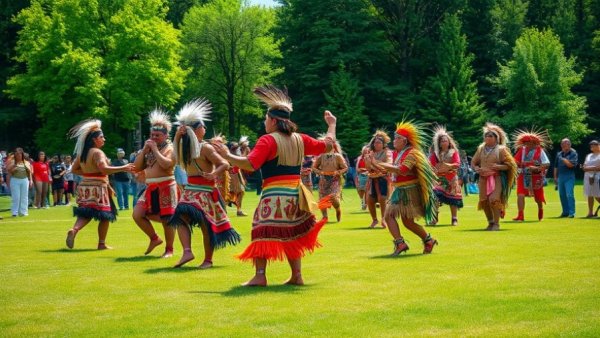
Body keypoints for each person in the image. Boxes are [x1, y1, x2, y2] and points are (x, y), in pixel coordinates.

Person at [214, 85, 336, 286]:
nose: (264, 122)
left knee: (262, 230)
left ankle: (260, 275)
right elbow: (329, 144)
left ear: (272, 120)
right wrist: (331, 124)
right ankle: (297, 275)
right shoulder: (301, 139)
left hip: (274, 195)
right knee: (292, 233)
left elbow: (250, 164)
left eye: (265, 119)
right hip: (297, 195)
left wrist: (227, 155)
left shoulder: (267, 140)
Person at [168, 99, 241, 269]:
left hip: (206, 190)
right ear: (196, 130)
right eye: (203, 126)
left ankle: (208, 260)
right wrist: (178, 134)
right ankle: (187, 251)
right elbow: (173, 158)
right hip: (191, 190)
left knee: (206, 225)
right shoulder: (183, 147)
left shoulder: (206, 148)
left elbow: (225, 164)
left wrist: (213, 174)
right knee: (180, 217)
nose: (205, 129)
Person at [367, 120, 438, 255]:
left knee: (393, 217)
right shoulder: (396, 154)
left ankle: (401, 243)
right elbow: (390, 171)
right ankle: (427, 240)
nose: (394, 140)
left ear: (405, 141)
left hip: (409, 191)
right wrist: (373, 164)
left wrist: (378, 163)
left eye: (398, 138)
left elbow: (402, 170)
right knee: (405, 222)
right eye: (395, 138)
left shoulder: (412, 153)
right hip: (400, 190)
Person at [65, 119, 134, 250]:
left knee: (85, 213)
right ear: (94, 140)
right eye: (101, 137)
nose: (104, 139)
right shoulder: (97, 153)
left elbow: (74, 169)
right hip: (98, 187)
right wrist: (124, 167)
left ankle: (74, 230)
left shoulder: (82, 153)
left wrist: (88, 173)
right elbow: (103, 169)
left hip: (85, 186)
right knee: (105, 215)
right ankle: (101, 243)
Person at [132, 109, 179, 258]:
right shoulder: (149, 149)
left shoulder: (171, 148)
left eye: (157, 135)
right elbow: (137, 167)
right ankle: (154, 238)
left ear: (165, 135)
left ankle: (169, 249)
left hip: (166, 186)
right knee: (137, 214)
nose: (154, 138)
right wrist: (144, 150)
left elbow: (166, 164)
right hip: (150, 188)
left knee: (167, 219)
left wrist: (154, 149)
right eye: (152, 135)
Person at [471, 123, 518, 230]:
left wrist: (498, 166)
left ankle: (496, 224)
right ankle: (490, 222)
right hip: (483, 178)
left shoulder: (501, 149)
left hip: (496, 178)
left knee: (493, 199)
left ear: (496, 139)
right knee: (484, 200)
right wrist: (476, 168)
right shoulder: (481, 149)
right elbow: (474, 162)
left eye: (491, 135)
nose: (487, 137)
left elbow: (510, 165)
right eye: (486, 135)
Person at [511, 128, 551, 221]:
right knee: (520, 194)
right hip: (523, 175)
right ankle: (520, 215)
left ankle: (540, 209)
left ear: (534, 143)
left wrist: (536, 168)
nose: (527, 144)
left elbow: (546, 164)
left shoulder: (539, 151)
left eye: (529, 142)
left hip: (535, 176)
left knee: (538, 198)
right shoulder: (522, 150)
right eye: (526, 142)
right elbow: (515, 161)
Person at [428, 126, 463, 226]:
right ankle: (434, 218)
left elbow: (457, 164)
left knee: (453, 199)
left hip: (451, 178)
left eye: (445, 141)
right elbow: (431, 165)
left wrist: (449, 165)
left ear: (449, 142)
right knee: (434, 196)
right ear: (439, 143)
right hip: (439, 179)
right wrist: (434, 169)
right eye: (442, 141)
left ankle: (454, 219)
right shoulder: (435, 154)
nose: (444, 142)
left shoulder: (453, 152)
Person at [312, 141, 347, 222]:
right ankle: (325, 217)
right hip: (323, 180)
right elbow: (314, 168)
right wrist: (321, 172)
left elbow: (345, 168)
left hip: (335, 180)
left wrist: (338, 172)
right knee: (322, 199)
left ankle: (337, 209)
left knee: (333, 197)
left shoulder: (338, 157)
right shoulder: (321, 157)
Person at [364, 130, 392, 228]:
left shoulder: (387, 152)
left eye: (379, 142)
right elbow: (368, 168)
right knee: (370, 200)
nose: (376, 144)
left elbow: (388, 165)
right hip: (372, 178)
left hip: (383, 178)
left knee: (382, 198)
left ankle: (384, 219)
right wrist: (368, 160)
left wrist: (374, 161)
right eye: (375, 142)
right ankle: (374, 220)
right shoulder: (370, 153)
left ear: (383, 144)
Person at [554, 138, 578, 218]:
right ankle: (565, 212)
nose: (565, 146)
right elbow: (556, 167)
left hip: (569, 176)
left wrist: (564, 160)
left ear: (570, 145)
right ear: (561, 145)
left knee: (569, 194)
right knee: (562, 195)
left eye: (567, 144)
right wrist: (555, 177)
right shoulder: (559, 154)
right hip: (561, 176)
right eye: (563, 144)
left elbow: (571, 165)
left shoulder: (573, 153)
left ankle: (572, 212)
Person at [6, 148, 33, 217]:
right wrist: (14, 166)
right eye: (17, 154)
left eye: (20, 154)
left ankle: (24, 212)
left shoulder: (26, 162)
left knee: (24, 197)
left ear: (22, 155)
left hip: (25, 180)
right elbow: (9, 170)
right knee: (16, 197)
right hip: (15, 180)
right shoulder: (12, 161)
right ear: (15, 155)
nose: (19, 156)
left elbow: (30, 172)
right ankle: (15, 212)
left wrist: (31, 180)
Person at [228, 142, 248, 216]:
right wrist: (242, 146)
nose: (236, 147)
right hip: (231, 176)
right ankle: (224, 209)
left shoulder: (235, 154)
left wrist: (244, 148)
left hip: (236, 175)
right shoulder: (229, 155)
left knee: (240, 192)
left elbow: (243, 160)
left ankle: (238, 210)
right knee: (229, 193)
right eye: (233, 145)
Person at [583, 140, 600, 217]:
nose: (591, 146)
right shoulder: (588, 155)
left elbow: (599, 168)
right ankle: (590, 212)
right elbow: (584, 167)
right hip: (588, 177)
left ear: (598, 145)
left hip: (598, 176)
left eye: (593, 144)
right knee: (589, 194)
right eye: (591, 145)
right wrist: (593, 168)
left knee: (597, 195)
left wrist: (588, 168)